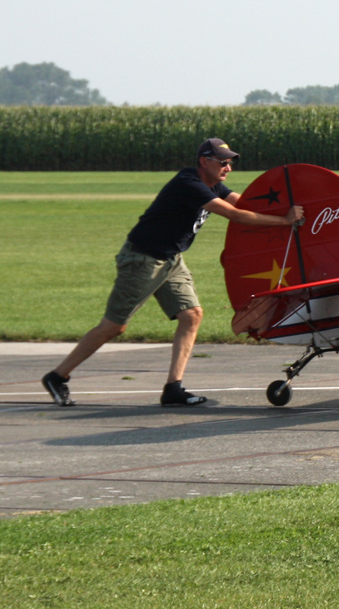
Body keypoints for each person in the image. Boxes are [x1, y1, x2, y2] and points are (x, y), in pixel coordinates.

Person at [41, 138, 304, 407]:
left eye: (230, 163)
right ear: (204, 162)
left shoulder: (213, 184)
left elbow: (245, 204)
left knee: (192, 315)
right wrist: (284, 221)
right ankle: (57, 376)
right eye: (223, 162)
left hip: (170, 258)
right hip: (143, 258)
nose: (228, 167)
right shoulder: (189, 183)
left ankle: (173, 389)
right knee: (114, 326)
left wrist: (294, 211)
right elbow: (235, 215)